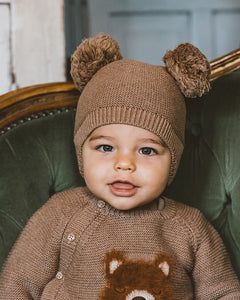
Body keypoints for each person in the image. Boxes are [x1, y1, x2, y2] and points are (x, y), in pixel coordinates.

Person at [0, 33, 239, 299]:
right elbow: (16, 284)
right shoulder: (60, 214)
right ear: (81, 152)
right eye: (106, 148)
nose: (124, 164)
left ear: (173, 160)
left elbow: (223, 293)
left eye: (147, 150)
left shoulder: (190, 228)